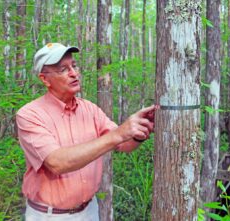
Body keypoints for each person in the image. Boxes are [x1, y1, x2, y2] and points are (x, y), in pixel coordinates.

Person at [16, 43, 156, 221]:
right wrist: (119, 134)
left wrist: (139, 131)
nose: (74, 73)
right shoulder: (30, 115)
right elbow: (57, 162)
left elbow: (123, 144)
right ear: (45, 79)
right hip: (49, 216)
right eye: (63, 70)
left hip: (89, 211)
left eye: (74, 66)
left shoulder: (89, 109)